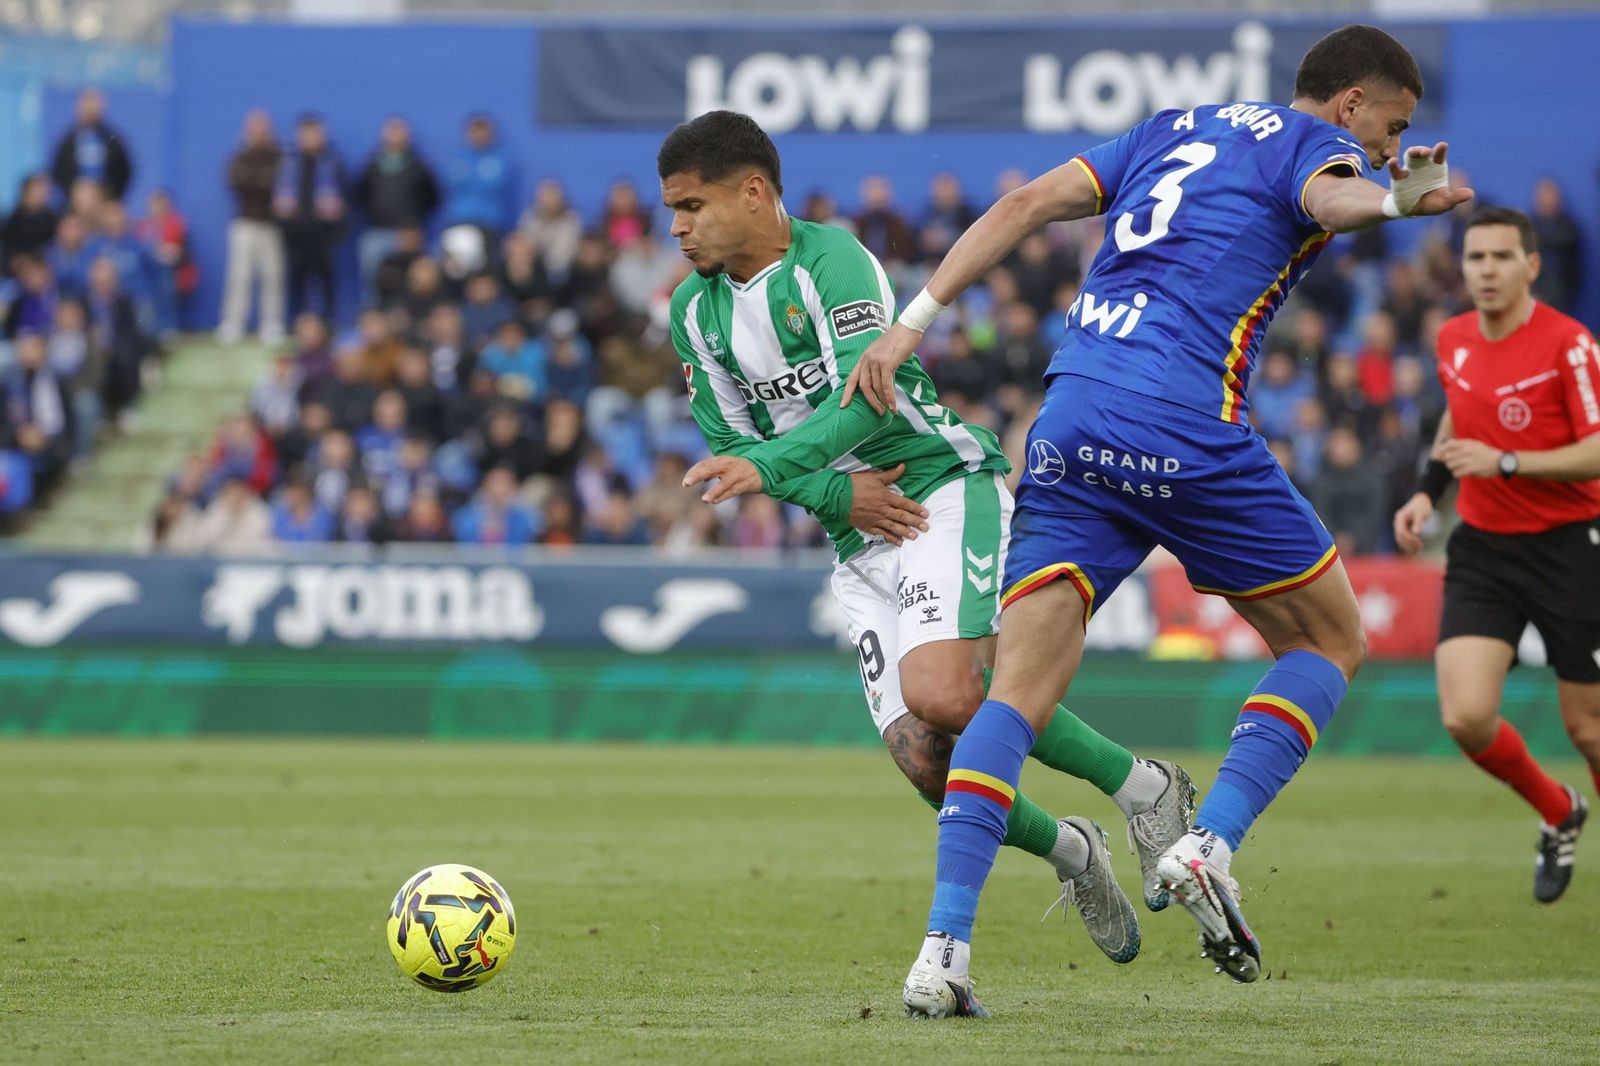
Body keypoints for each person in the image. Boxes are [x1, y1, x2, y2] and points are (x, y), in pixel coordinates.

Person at [829, 25, 1472, 1010]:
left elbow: (1022, 203)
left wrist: (915, 317)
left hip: (1070, 415)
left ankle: (941, 956)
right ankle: (1208, 841)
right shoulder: (1309, 145)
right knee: (1329, 638)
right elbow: (1330, 198)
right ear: (1349, 102)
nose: (1389, 146)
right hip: (1179, 421)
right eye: (1390, 127)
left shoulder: (1170, 127)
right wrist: (1392, 200)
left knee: (1015, 697)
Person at [661, 111, 1196, 975]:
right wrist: (833, 491)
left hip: (936, 486)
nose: (678, 228)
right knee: (923, 758)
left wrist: (788, 472)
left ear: (753, 193)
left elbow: (864, 401)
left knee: (948, 692)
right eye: (671, 211)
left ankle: (1145, 786)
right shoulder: (693, 313)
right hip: (856, 531)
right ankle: (1076, 850)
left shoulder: (831, 264)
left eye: (692, 206)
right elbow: (735, 453)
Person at [1394, 206, 1600, 904]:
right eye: (1476, 258)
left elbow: (1598, 449)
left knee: (1589, 730)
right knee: (1466, 717)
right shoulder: (1452, 338)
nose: (1485, 270)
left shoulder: (1569, 345)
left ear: (1531, 265)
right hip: (1484, 548)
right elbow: (1462, 412)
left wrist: (1506, 461)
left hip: (1571, 547)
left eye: (1501, 258)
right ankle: (1559, 811)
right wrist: (1429, 491)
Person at [353, 116, 441, 306]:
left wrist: (414, 224)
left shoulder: (418, 166)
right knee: (371, 273)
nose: (395, 137)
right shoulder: (373, 165)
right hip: (377, 231)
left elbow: (432, 198)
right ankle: (373, 315)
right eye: (391, 132)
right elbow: (360, 195)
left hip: (409, 233)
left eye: (399, 132)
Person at [218, 110, 286, 346]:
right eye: (253, 128)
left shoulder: (279, 156)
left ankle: (272, 323)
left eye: (262, 128)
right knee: (239, 276)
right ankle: (233, 322)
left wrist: (259, 181)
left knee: (272, 276)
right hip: (244, 223)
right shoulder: (240, 155)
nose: (258, 133)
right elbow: (236, 182)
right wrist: (263, 181)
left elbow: (281, 185)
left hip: (272, 226)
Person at [274, 114, 346, 321]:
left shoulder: (333, 162)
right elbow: (278, 199)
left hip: (324, 236)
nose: (311, 138)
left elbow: (345, 200)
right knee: (297, 283)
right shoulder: (288, 163)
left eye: (315, 133)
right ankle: (298, 325)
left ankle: (327, 324)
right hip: (296, 235)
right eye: (306, 134)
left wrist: (337, 232)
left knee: (326, 282)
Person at [49, 88, 133, 204]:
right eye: (86, 104)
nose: (90, 109)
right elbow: (58, 171)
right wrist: (72, 192)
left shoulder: (112, 140)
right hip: (75, 202)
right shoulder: (68, 141)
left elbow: (125, 171)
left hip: (106, 200)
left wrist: (112, 196)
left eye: (94, 104)